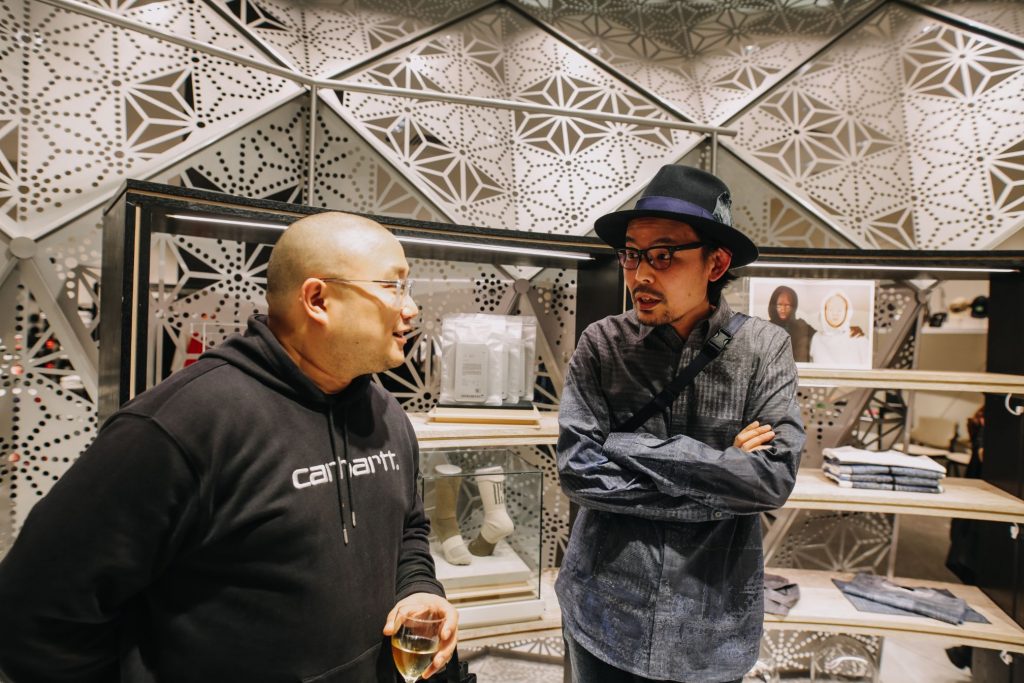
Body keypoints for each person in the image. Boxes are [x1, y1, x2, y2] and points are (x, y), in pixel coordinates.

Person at [0, 212, 458, 682]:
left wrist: (419, 589)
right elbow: (32, 614)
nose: (410, 308)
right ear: (318, 299)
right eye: (392, 286)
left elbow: (409, 528)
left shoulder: (385, 412)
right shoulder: (181, 425)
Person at [556, 164, 805, 683]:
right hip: (604, 611)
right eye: (631, 254)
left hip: (712, 627)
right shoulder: (602, 345)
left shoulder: (764, 348)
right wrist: (721, 473)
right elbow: (578, 472)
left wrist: (624, 446)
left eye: (664, 255)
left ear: (716, 262)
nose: (640, 275)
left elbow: (771, 480)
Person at [808, 289, 871, 368]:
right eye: (831, 309)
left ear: (847, 312)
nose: (835, 313)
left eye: (839, 310)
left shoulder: (857, 337)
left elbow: (868, 369)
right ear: (824, 312)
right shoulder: (816, 338)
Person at [767, 285, 816, 362]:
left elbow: (818, 338)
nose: (783, 309)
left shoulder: (800, 326)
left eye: (787, 306)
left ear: (793, 306)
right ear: (774, 305)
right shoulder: (766, 328)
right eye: (779, 305)